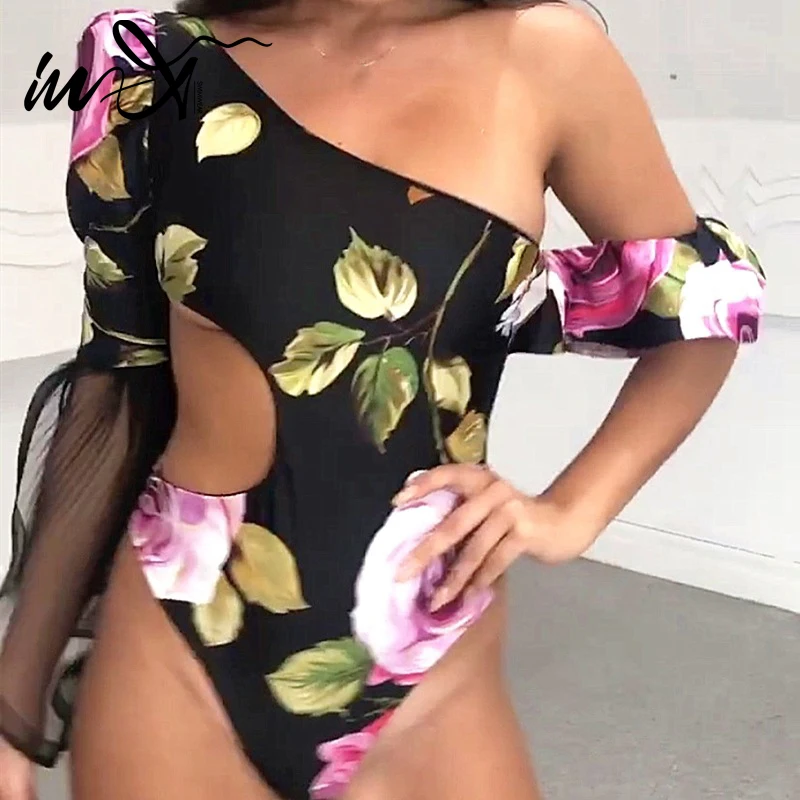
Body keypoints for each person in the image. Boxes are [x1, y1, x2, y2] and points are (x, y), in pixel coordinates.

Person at [0, 1, 766, 798]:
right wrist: (12, 705)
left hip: (428, 667)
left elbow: (705, 302)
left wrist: (571, 510)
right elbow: (117, 382)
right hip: (175, 642)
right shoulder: (150, 65)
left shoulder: (547, 57)